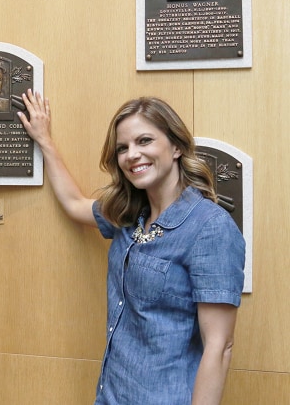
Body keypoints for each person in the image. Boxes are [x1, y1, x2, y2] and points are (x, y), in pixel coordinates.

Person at [17, 90, 245, 404]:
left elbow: (219, 348)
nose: (131, 155)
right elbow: (74, 204)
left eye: (144, 141)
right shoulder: (128, 215)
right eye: (123, 148)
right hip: (112, 395)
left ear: (176, 146)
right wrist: (44, 140)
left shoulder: (210, 227)